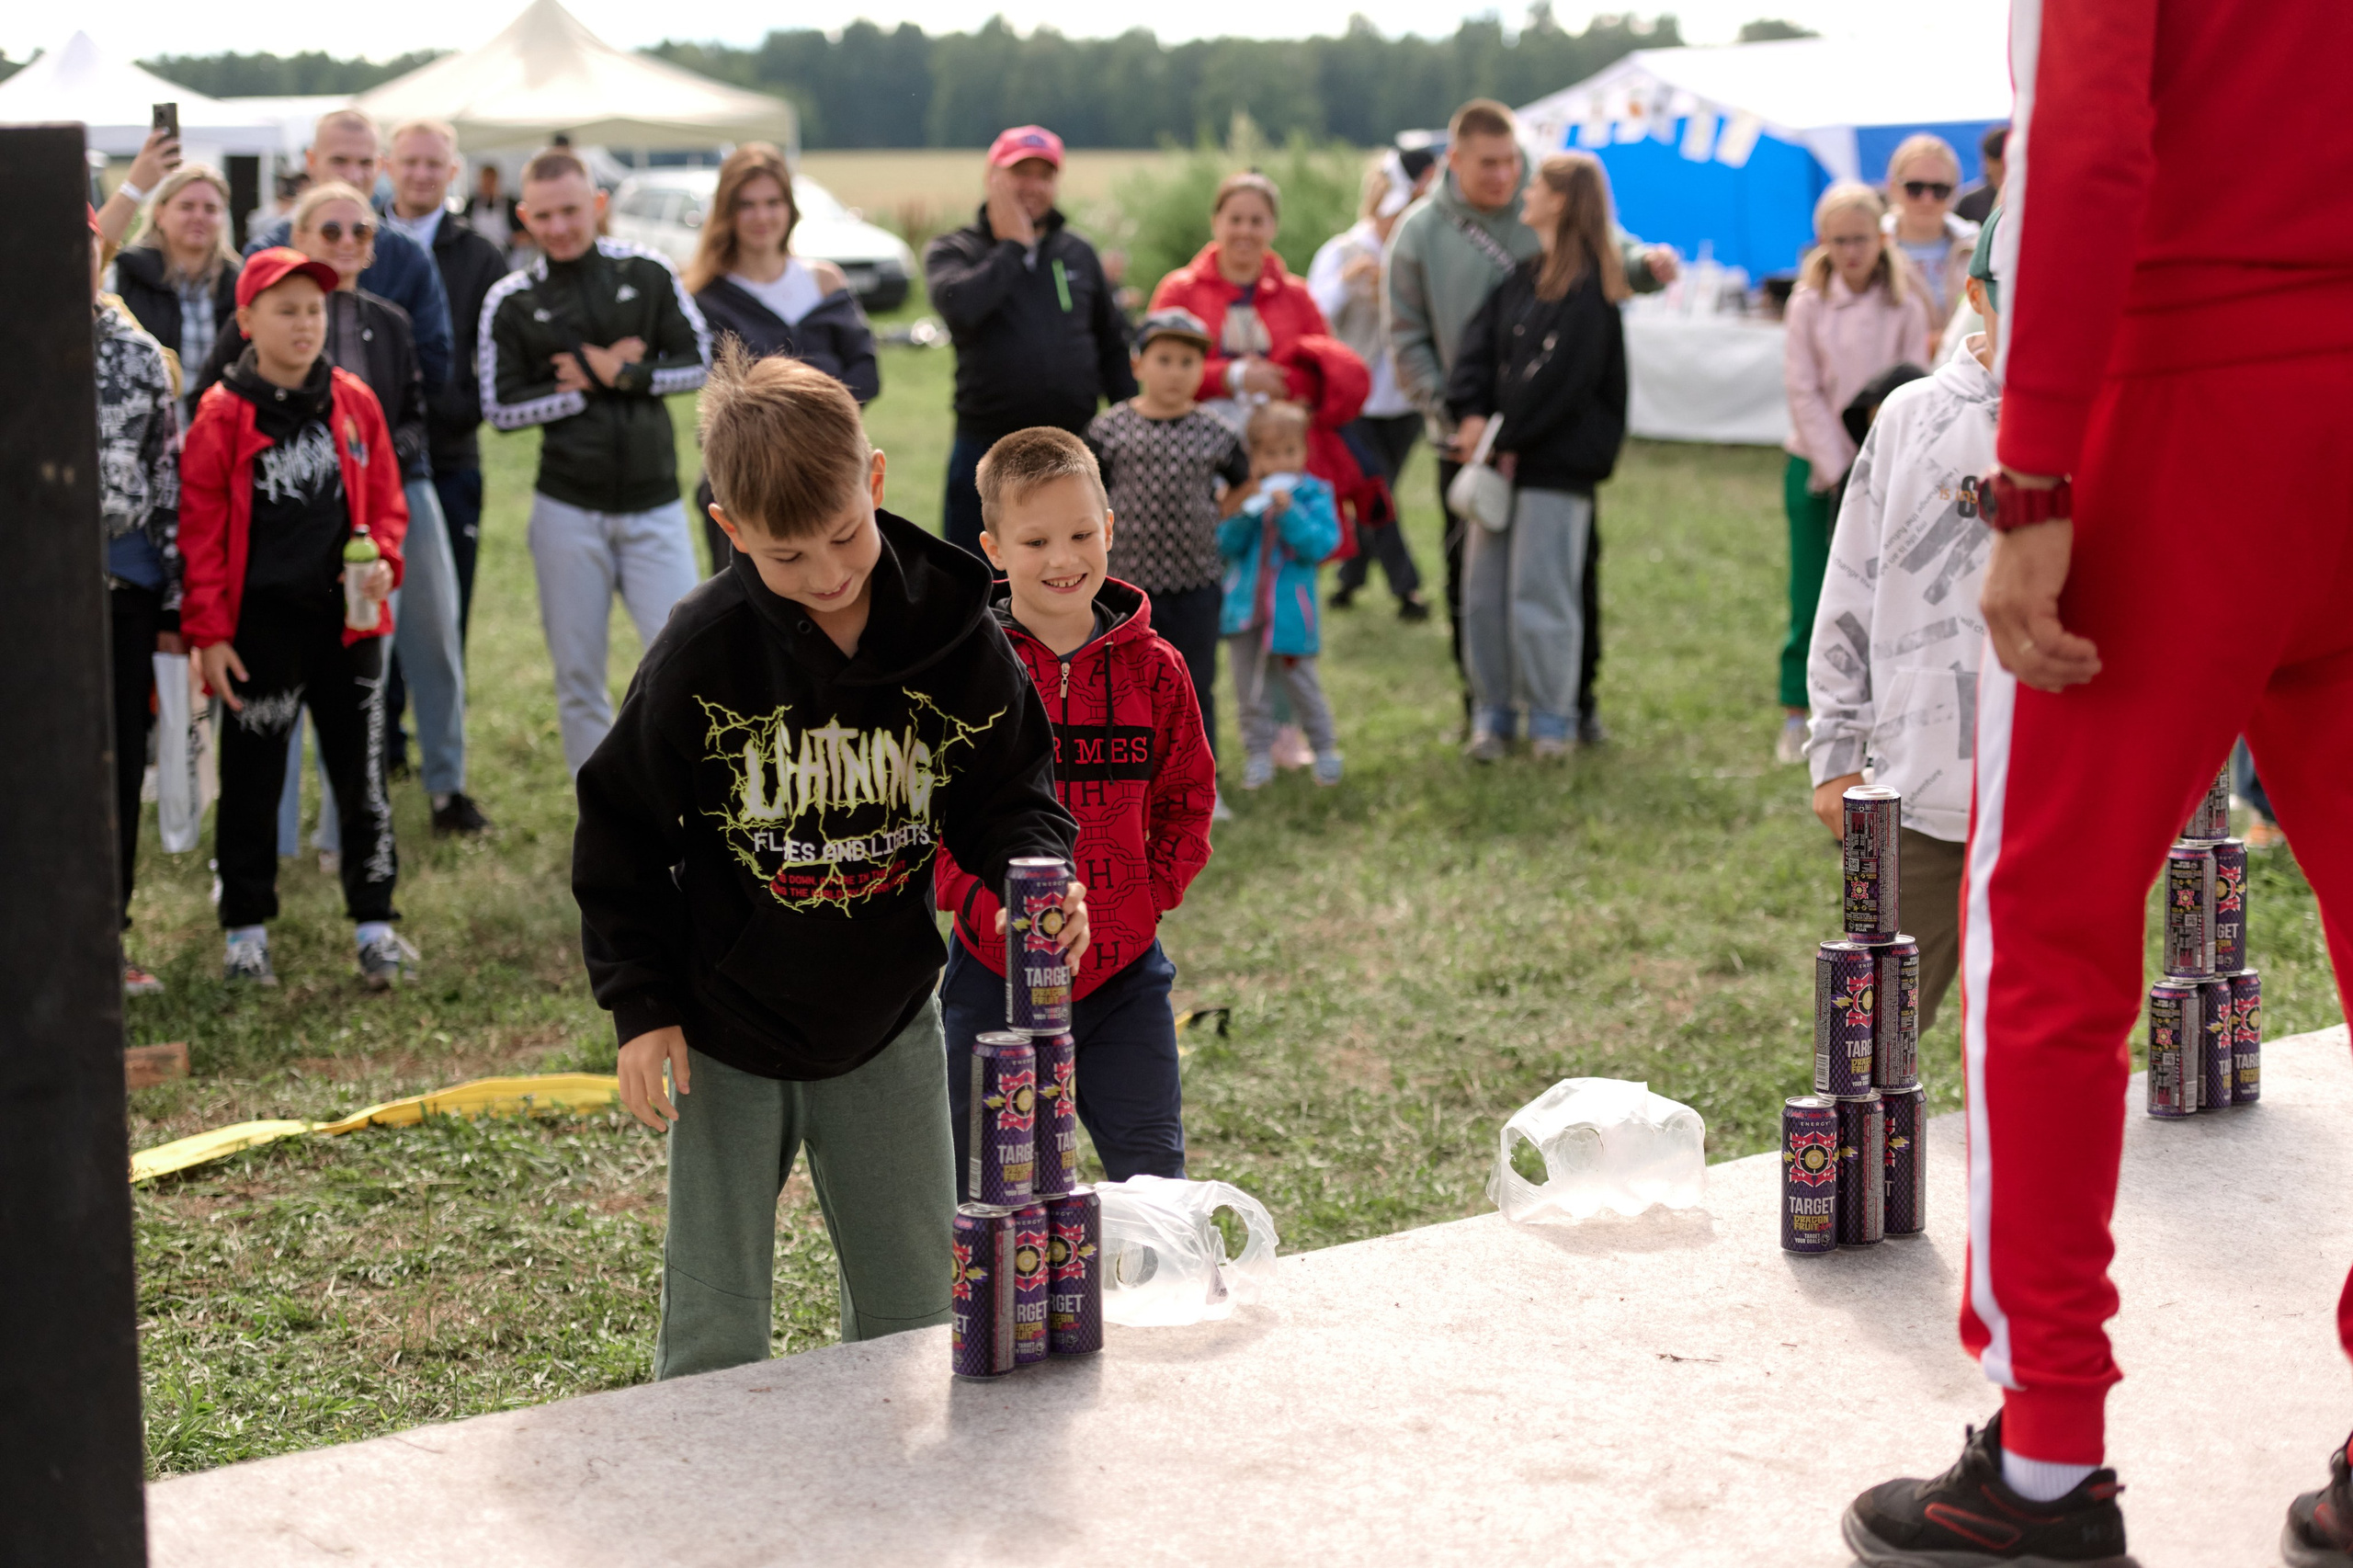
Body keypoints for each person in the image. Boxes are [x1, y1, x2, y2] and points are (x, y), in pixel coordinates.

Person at [1837, 2, 2353, 1561]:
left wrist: (2038, 465)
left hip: (2181, 402)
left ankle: (2048, 1456)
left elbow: (2085, 139)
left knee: (2046, 944)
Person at [571, 348, 1086, 1379]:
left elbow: (1006, 790)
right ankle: (717, 1526)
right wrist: (642, 1004)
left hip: (888, 1020)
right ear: (728, 528)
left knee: (910, 1316)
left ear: (877, 481)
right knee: (716, 1332)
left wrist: (1040, 872)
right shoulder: (701, 649)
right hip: (724, 1033)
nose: (828, 573)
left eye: (844, 535)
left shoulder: (954, 629)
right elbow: (621, 827)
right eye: (786, 555)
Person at [936, 426, 1214, 1194]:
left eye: (1081, 534)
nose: (1063, 559)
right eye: (1035, 541)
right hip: (992, 975)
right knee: (985, 1189)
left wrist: (1145, 900)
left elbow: (1189, 800)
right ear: (994, 549)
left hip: (1124, 980)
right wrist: (978, 895)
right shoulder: (964, 672)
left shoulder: (1158, 669)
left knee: (1156, 1184)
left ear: (1110, 530)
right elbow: (930, 815)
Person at [1388, 98, 1677, 741]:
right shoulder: (1420, 233)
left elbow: (1615, 257)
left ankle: (1572, 704)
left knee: (1563, 579)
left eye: (1512, 163)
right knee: (1477, 584)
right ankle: (1486, 711)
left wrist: (1646, 270)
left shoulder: (1552, 222)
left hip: (1548, 449)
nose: (1503, 176)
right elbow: (1407, 338)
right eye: (1487, 164)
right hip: (1464, 440)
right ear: (1454, 161)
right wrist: (1456, 417)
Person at [179, 249, 409, 990]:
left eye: (315, 309)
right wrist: (209, 634)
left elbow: (386, 504)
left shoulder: (353, 401)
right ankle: (246, 933)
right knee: (252, 783)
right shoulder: (221, 416)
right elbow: (201, 531)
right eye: (287, 310)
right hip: (259, 633)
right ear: (246, 321)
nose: (306, 324)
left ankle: (375, 926)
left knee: (363, 779)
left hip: (350, 625)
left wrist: (387, 564)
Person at [1804, 214, 2005, 1036]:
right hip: (1915, 792)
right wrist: (1834, 751)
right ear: (1975, 294)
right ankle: (1863, 1166)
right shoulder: (1911, 416)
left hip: (2055, 794)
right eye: (2018, 295)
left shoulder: (2112, 417)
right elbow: (1850, 579)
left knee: (2034, 1027)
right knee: (1879, 1031)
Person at [480, 147, 712, 775]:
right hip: (566, 509)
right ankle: (600, 820)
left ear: (598, 206)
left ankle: (687, 811)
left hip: (654, 506)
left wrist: (623, 373)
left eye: (571, 212)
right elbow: (499, 406)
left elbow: (700, 363)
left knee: (683, 660)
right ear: (525, 216)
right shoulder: (512, 298)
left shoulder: (650, 270)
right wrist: (581, 383)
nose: (558, 228)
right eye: (544, 215)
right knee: (578, 674)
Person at [1150, 171, 1373, 773]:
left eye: (1257, 220)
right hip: (1196, 460)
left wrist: (1279, 383)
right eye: (1235, 218)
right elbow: (1156, 367)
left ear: (1271, 227)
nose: (1245, 231)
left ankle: (1279, 728)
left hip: (1274, 462)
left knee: (1278, 592)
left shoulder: (1295, 297)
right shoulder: (1181, 288)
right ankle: (1190, 725)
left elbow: (1320, 368)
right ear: (1216, 222)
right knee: (1200, 592)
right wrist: (1230, 376)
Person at [1446, 153, 1631, 763]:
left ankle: (1552, 722)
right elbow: (1476, 350)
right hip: (1502, 465)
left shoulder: (1591, 291)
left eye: (1538, 185)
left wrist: (1501, 435)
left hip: (1554, 470)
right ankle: (1492, 717)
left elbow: (1564, 384)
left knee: (1541, 595)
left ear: (1561, 199)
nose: (1525, 192)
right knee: (1485, 593)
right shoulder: (1522, 279)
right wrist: (1470, 413)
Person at [1776, 181, 1932, 766]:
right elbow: (1802, 386)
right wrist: (1837, 464)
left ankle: (1874, 711)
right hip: (1817, 466)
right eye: (1837, 241)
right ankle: (1798, 710)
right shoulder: (1808, 304)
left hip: (1888, 464)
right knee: (1812, 587)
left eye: (1860, 239)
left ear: (1880, 237)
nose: (1849, 252)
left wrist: (1876, 464)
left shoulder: (1906, 303)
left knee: (1882, 593)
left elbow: (1913, 382)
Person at [925, 125, 1135, 558]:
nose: (1033, 186)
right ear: (992, 177)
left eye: (1044, 174)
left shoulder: (1077, 252)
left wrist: (1129, 420)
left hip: (1075, 445)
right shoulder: (956, 248)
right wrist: (1014, 247)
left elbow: (1111, 342)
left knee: (1072, 569)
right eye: (1021, 172)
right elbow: (960, 307)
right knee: (978, 574)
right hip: (985, 449)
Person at [685, 142, 880, 573]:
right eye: (747, 204)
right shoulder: (705, 298)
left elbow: (867, 372)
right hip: (746, 484)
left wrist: (808, 426)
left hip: (833, 473)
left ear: (789, 208)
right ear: (727, 212)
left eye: (772, 202)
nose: (761, 216)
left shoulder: (824, 281)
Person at [1085, 308, 1251, 770]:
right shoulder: (1109, 428)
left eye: (1187, 362)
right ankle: (1125, 777)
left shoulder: (1215, 432)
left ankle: (1198, 779)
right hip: (1125, 588)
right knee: (1120, 685)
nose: (1175, 372)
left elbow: (1244, 480)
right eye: (1164, 359)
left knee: (1194, 684)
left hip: (1195, 583)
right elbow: (1088, 489)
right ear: (1138, 364)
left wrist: (1216, 512)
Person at [92, 208, 183, 995]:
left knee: (115, 766)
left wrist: (175, 601)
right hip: (24, 597)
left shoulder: (136, 353)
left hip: (122, 588)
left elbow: (167, 479)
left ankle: (104, 940)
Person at [387, 118, 508, 663]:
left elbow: (496, 355)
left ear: (453, 171)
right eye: (409, 162)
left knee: (445, 612)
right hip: (373, 458)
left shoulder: (480, 256)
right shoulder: (359, 243)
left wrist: (461, 409)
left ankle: (442, 738)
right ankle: (383, 742)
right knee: (375, 613)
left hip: (452, 457)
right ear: (389, 167)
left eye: (433, 163)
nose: (420, 174)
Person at [246, 110, 454, 398]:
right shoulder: (267, 253)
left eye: (365, 163)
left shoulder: (407, 255)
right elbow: (244, 353)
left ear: (380, 165)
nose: (353, 175)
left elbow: (433, 363)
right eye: (340, 161)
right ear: (312, 162)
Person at [1312, 151, 1436, 622]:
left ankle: (1350, 578)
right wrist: (1348, 284)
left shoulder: (1417, 254)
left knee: (1375, 494)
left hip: (1404, 401)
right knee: (1377, 492)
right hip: (1355, 404)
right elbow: (1316, 313)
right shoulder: (1342, 250)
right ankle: (1409, 590)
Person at [1220, 403, 1343, 789]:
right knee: (1249, 692)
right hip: (1245, 615)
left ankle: (1324, 749)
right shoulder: (1245, 498)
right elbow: (1223, 546)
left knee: (1302, 685)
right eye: (1271, 454)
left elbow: (1320, 545)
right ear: (1254, 458)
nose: (1282, 462)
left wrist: (1290, 514)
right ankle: (1258, 755)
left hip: (1291, 617)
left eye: (1291, 451)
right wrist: (1242, 513)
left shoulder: (1314, 494)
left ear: (1304, 451)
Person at [103, 164, 241, 417]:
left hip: (217, 432)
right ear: (160, 214)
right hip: (145, 426)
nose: (199, 216)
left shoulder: (239, 283)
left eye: (210, 209)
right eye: (186, 206)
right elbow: (91, 253)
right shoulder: (127, 273)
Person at [1882, 133, 1979, 335]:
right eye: (1915, 188)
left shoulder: (1979, 247)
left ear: (1954, 192)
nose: (1927, 199)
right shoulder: (1873, 248)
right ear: (1893, 187)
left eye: (1939, 190)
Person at [1953, 124, 2006, 225]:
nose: (2002, 181)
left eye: (2004, 173)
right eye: (1997, 174)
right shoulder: (1969, 203)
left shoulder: (2028, 200)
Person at [466, 163, 518, 262]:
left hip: (508, 259)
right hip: (478, 257)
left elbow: (526, 234)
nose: (487, 184)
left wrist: (509, 241)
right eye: (485, 180)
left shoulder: (511, 204)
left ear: (497, 180)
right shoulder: (471, 204)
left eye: (491, 180)